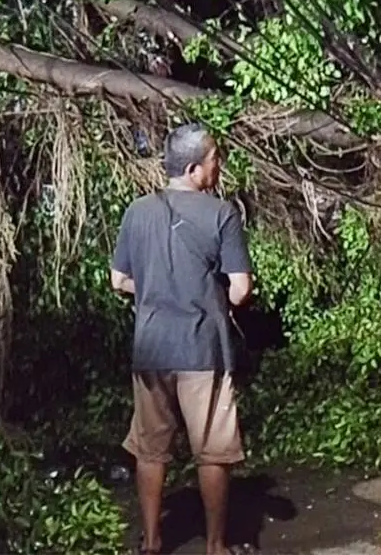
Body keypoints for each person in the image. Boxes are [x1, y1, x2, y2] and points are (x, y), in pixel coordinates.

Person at [110, 123, 254, 555]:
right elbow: (241, 288)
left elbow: (119, 279)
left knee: (151, 449)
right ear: (194, 168)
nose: (218, 167)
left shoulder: (137, 211)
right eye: (214, 161)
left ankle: (152, 540)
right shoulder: (222, 214)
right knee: (212, 450)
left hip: (151, 350)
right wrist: (215, 294)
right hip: (202, 349)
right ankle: (214, 545)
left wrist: (156, 288)